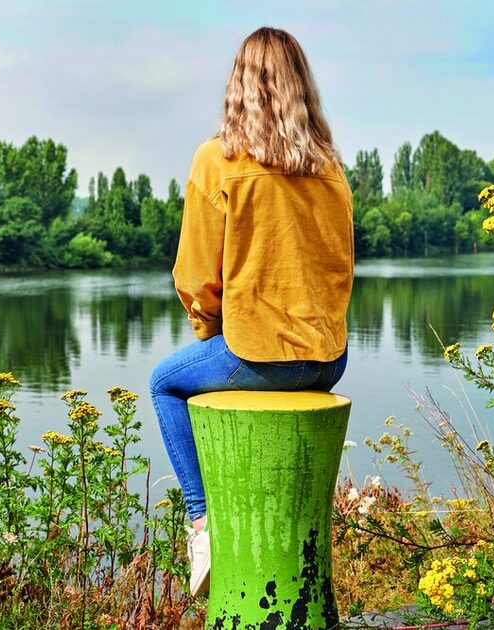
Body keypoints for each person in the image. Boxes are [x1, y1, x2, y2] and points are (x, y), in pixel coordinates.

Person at [148, 26, 354, 598]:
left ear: (239, 85)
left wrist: (211, 332)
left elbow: (194, 277)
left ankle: (201, 522)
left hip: (258, 356)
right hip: (329, 360)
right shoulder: (329, 167)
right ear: (302, 88)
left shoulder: (217, 159)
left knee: (163, 383)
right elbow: (340, 269)